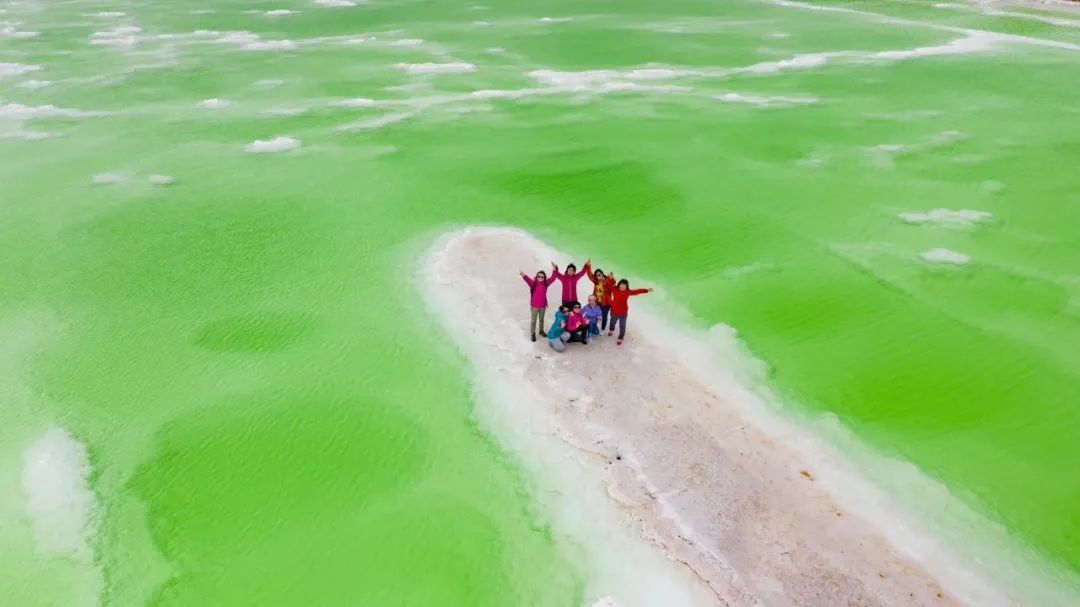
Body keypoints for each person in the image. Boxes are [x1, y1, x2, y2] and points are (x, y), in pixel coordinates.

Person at [608, 279, 653, 346]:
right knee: (612, 322)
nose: (623, 286)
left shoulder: (627, 292)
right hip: (614, 311)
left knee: (622, 326)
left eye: (624, 285)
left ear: (626, 286)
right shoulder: (615, 289)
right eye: (622, 284)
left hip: (623, 313)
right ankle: (611, 330)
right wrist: (610, 278)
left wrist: (646, 290)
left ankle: (620, 337)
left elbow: (637, 291)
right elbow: (608, 285)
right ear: (619, 285)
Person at [520, 268, 556, 342]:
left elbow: (553, 278)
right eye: (539, 276)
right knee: (533, 321)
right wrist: (524, 276)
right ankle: (533, 334)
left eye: (542, 277)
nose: (540, 278)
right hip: (534, 306)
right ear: (537, 277)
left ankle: (541, 331)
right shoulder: (533, 283)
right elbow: (527, 279)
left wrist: (555, 270)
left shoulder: (546, 283)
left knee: (541, 320)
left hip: (543, 305)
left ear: (544, 278)